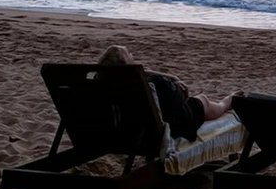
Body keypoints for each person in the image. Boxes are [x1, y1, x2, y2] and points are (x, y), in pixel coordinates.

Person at [96, 44, 237, 142]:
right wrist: (175, 88)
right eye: (130, 54)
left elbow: (138, 72)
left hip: (119, 131)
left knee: (196, 101)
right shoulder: (154, 85)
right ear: (127, 64)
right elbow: (179, 102)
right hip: (156, 134)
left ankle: (220, 102)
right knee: (202, 100)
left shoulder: (99, 84)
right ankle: (227, 102)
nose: (133, 55)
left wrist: (171, 77)